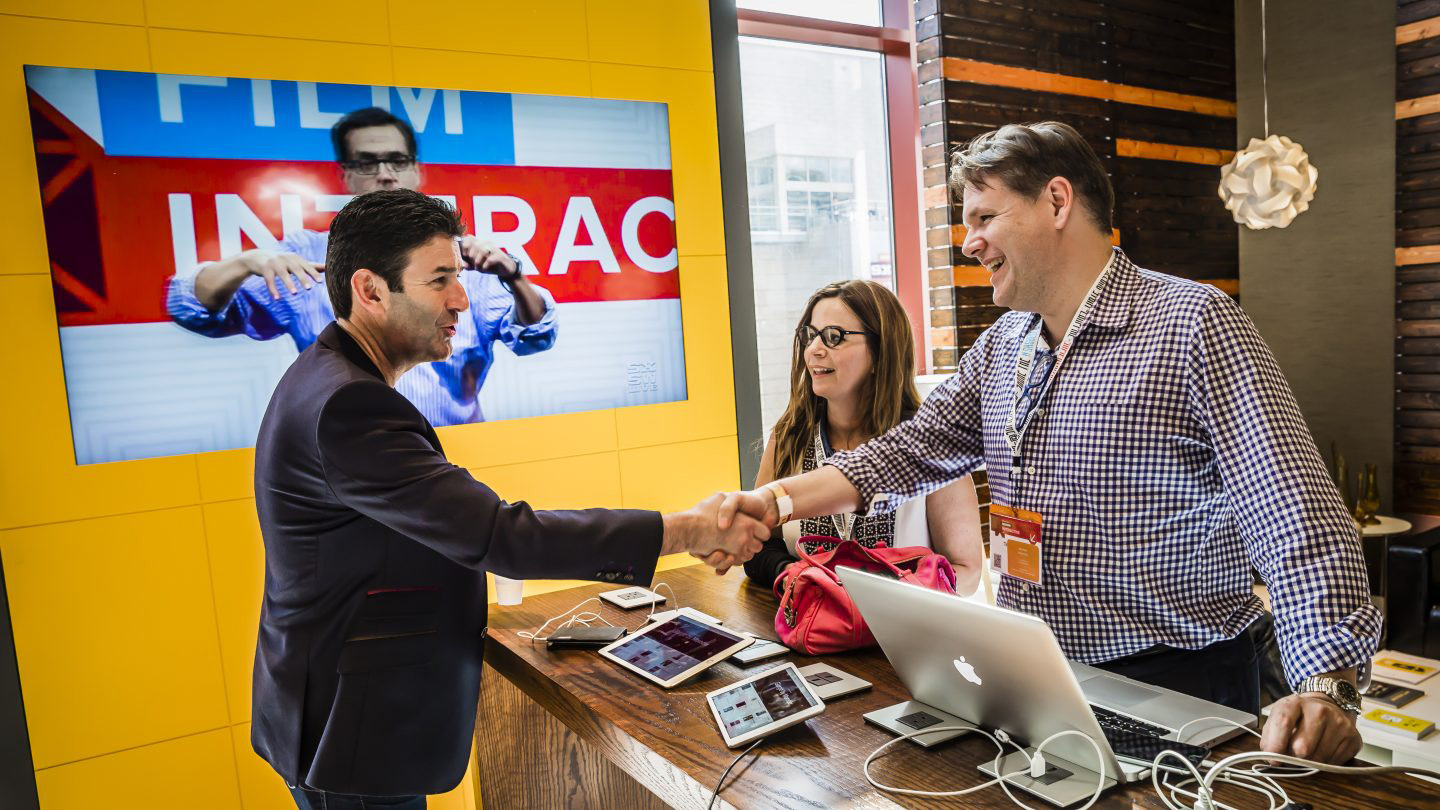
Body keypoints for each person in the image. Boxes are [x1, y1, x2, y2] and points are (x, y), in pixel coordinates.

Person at [718, 122, 1380, 765]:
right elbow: (909, 449)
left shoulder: (1193, 323)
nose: (969, 243)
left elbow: (1294, 516)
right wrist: (771, 503)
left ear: (1057, 201)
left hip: (1185, 678)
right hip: (1040, 670)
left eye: (983, 217)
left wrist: (1327, 682)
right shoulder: (1004, 345)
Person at [251, 188, 766, 808]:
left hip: (332, 705)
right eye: (440, 280)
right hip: (346, 723)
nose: (461, 300)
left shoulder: (330, 379)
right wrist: (686, 530)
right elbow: (501, 537)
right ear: (370, 290)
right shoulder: (349, 406)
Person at [166, 106, 554, 426]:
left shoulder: (466, 259)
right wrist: (247, 262)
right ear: (345, 175)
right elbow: (196, 311)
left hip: (456, 455)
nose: (385, 174)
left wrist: (514, 276)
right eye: (367, 163)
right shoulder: (308, 256)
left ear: (416, 170)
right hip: (349, 462)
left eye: (396, 160)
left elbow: (535, 335)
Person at [743, 279, 983, 595]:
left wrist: (897, 601)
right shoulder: (790, 436)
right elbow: (758, 547)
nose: (814, 349)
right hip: (808, 631)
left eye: (833, 337)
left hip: (901, 637)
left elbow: (966, 571)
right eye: (809, 336)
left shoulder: (929, 444)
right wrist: (793, 575)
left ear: (881, 349)